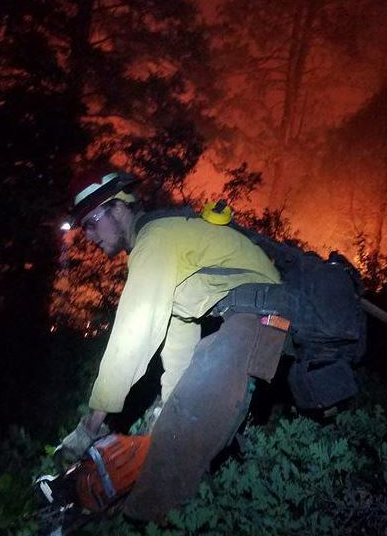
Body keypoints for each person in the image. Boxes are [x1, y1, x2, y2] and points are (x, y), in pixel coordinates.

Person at [56, 170, 289, 520]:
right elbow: (178, 337)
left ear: (119, 209)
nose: (88, 236)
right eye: (83, 228)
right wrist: (166, 406)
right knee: (174, 426)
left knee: (178, 450)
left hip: (261, 315)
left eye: (91, 222)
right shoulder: (165, 244)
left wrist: (90, 425)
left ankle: (147, 521)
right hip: (251, 316)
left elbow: (132, 337)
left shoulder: (155, 240)